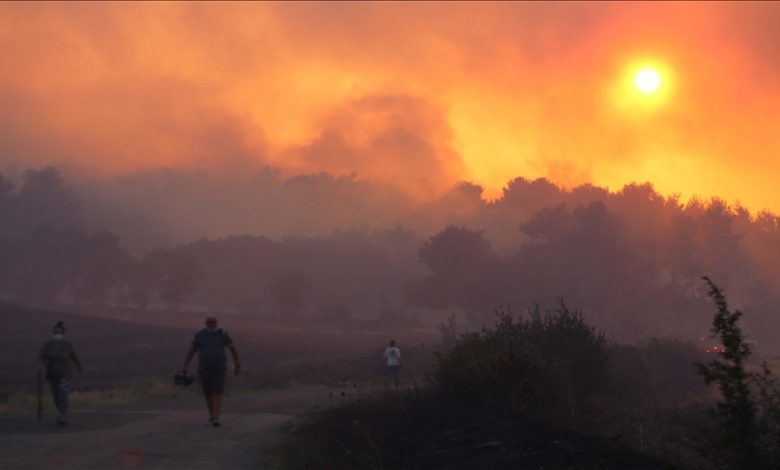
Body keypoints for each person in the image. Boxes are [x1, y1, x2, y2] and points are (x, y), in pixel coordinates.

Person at [181, 316, 241, 427]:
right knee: (208, 393)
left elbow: (233, 349)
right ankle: (212, 416)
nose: (211, 324)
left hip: (219, 368)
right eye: (209, 322)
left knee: (217, 392)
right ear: (205, 323)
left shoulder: (223, 334)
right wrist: (185, 365)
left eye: (213, 322)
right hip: (204, 368)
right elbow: (191, 351)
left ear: (217, 323)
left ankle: (216, 417)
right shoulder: (199, 335)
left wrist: (237, 365)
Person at [38, 321, 83, 425]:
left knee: (62, 393)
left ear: (63, 333)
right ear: (53, 333)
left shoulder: (67, 344)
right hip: (52, 374)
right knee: (55, 395)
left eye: (60, 332)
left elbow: (73, 355)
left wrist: (79, 366)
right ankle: (60, 411)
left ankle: (62, 415)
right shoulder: (47, 345)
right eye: (56, 332)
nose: (58, 334)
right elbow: (41, 357)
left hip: (65, 373)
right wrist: (40, 367)